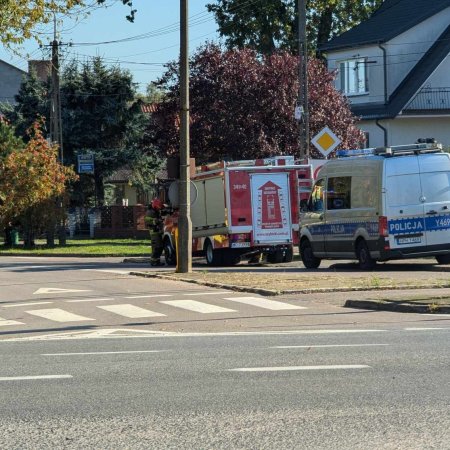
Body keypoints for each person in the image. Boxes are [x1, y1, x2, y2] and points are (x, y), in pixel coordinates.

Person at [145, 199, 165, 266]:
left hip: (158, 231)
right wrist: (157, 221)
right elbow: (148, 221)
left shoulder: (155, 211)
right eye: (158, 207)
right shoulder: (150, 212)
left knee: (160, 247)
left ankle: (157, 261)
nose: (159, 209)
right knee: (157, 247)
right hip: (154, 232)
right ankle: (153, 261)